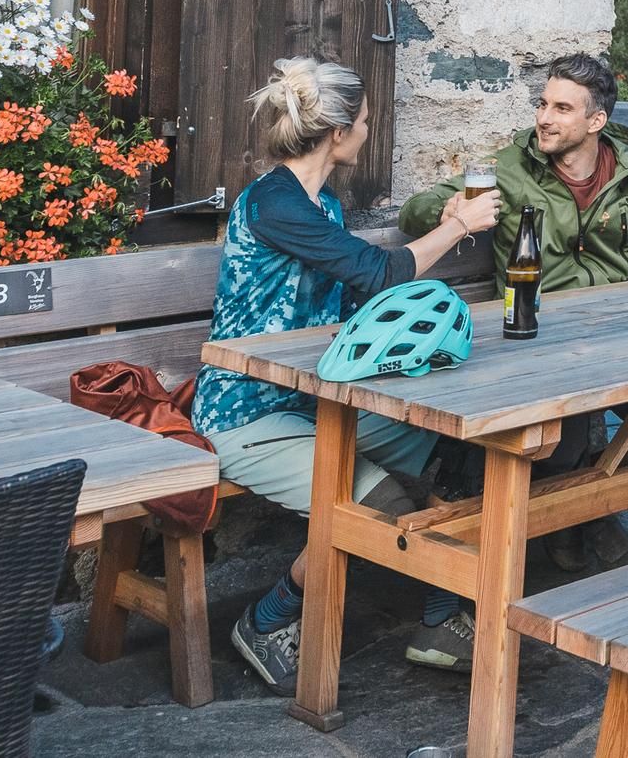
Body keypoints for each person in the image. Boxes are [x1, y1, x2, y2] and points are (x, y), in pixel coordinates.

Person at [192, 56, 504, 694]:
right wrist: (456, 226)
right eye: (364, 121)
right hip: (247, 413)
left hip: (314, 400)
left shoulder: (322, 203)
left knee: (432, 438)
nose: (369, 130)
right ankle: (267, 617)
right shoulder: (275, 203)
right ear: (337, 133)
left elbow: (356, 297)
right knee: (376, 506)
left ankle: (440, 624)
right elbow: (379, 274)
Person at [399, 51, 628, 567]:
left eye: (563, 108)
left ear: (597, 121)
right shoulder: (511, 168)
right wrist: (449, 209)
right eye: (543, 104)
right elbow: (415, 210)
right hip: (534, 339)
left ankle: (607, 512)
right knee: (562, 429)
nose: (545, 118)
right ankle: (573, 525)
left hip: (615, 336)